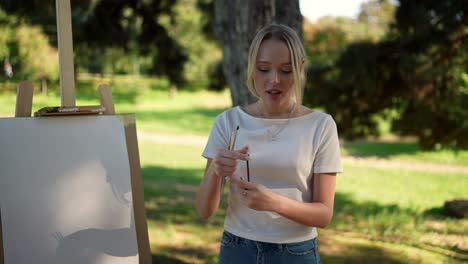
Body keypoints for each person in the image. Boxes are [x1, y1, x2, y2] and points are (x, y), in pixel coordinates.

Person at [195, 24, 342, 264]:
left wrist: (274, 202)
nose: (274, 80)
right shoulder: (228, 122)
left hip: (296, 253)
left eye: (285, 70)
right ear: (253, 69)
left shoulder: (321, 126)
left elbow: (324, 215)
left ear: (300, 68)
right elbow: (204, 210)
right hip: (237, 249)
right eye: (264, 69)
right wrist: (215, 171)